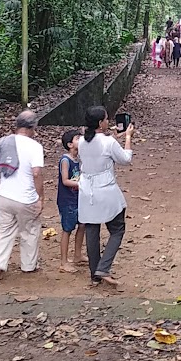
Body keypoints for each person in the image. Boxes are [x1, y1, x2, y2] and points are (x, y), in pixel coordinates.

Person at [77, 104, 133, 289]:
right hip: (106, 190)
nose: (109, 121)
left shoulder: (82, 142)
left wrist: (114, 138)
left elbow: (99, 146)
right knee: (117, 229)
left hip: (87, 190)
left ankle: (95, 274)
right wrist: (127, 138)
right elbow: (125, 159)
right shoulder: (108, 143)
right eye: (106, 119)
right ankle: (104, 267)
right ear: (101, 123)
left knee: (92, 231)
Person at [0, 109, 46, 281]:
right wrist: (40, 197)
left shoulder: (3, 142)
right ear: (33, 127)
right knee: (29, 230)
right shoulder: (35, 147)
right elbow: (36, 173)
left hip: (4, 196)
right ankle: (28, 265)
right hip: (26, 198)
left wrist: (5, 177)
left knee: (2, 231)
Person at [57, 129, 86, 272]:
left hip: (78, 199)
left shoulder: (78, 159)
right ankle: (63, 262)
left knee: (82, 225)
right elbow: (65, 180)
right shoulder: (65, 160)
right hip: (67, 200)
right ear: (69, 144)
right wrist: (82, 184)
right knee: (67, 229)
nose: (80, 140)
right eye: (77, 138)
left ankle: (77, 255)